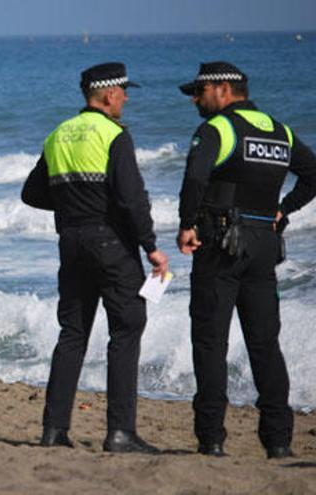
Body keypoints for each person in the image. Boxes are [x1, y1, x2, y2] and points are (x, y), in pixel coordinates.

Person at [22, 62, 170, 453]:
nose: (126, 98)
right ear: (108, 94)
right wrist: (151, 246)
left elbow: (32, 194)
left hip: (70, 242)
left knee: (72, 334)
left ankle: (54, 431)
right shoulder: (113, 134)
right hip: (110, 244)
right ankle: (120, 432)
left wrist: (71, 203)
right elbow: (131, 198)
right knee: (127, 327)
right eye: (123, 91)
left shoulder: (58, 134)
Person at [176, 61, 316, 459]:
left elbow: (195, 179)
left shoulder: (218, 129)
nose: (194, 99)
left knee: (210, 343)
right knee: (265, 344)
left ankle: (212, 438)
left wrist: (187, 224)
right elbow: (313, 174)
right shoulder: (279, 130)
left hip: (221, 245)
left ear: (223, 89)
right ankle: (278, 440)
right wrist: (283, 211)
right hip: (262, 246)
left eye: (199, 91)